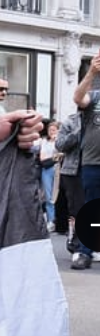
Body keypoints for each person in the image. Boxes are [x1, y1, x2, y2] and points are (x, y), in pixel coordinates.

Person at [67, 52, 100, 270]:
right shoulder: (95, 96)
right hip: (93, 162)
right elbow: (78, 98)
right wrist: (91, 72)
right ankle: (85, 251)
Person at [56, 110, 87, 256]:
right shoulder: (71, 121)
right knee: (77, 209)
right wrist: (78, 132)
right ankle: (76, 243)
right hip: (73, 172)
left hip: (93, 169)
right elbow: (60, 145)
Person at [34, 120, 58, 232]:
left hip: (57, 170)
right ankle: (50, 220)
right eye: (50, 130)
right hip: (47, 170)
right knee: (48, 196)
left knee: (57, 195)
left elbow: (61, 155)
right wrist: (54, 157)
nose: (51, 132)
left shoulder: (60, 142)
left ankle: (59, 221)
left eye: (54, 130)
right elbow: (42, 158)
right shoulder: (44, 141)